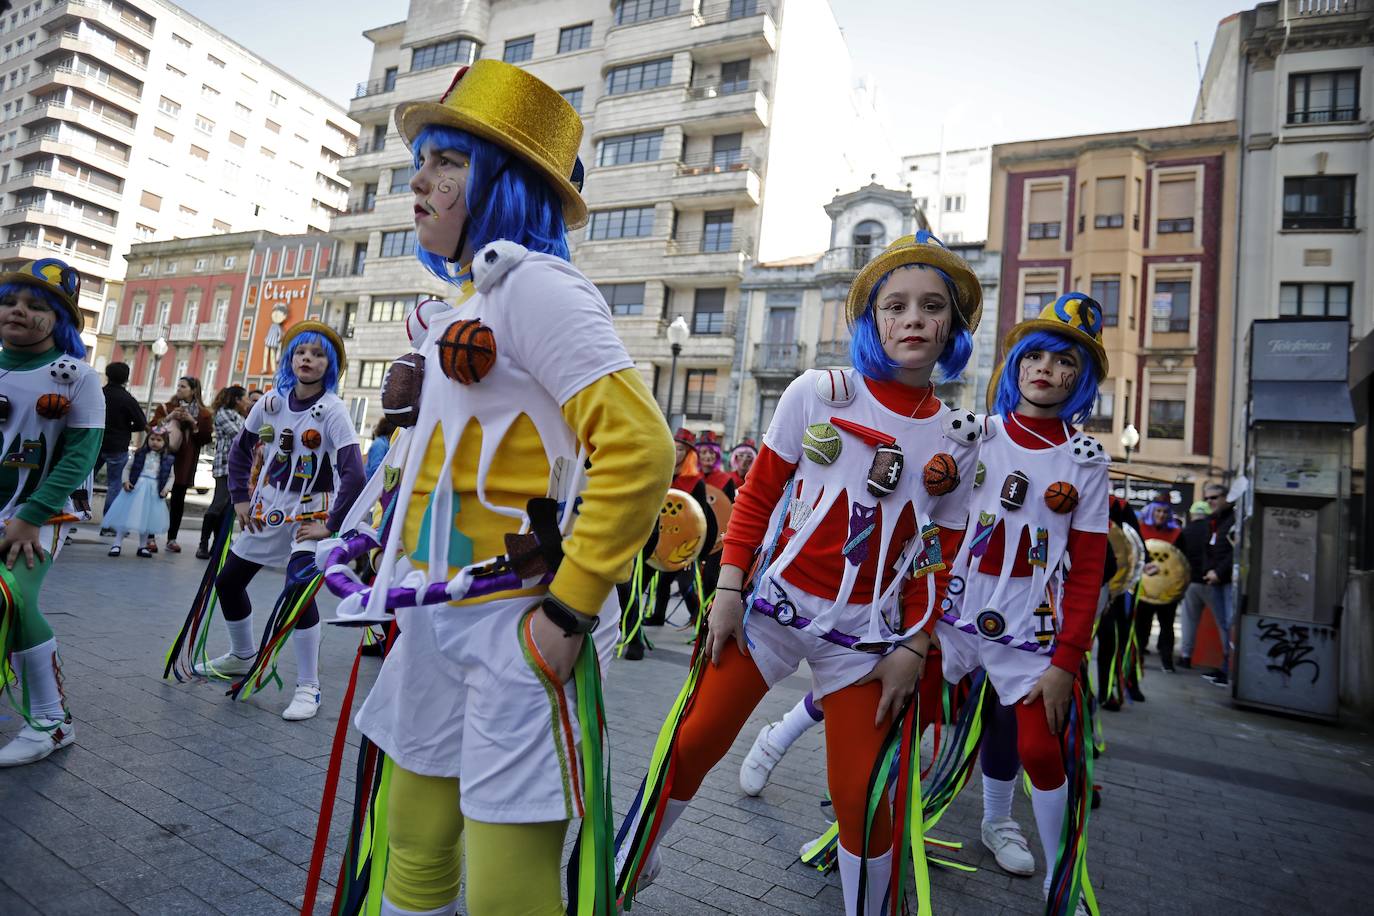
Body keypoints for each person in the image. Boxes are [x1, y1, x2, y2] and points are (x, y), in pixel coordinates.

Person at [339, 60, 673, 916]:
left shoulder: (537, 289)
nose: (419, 179)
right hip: (433, 618)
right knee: (410, 846)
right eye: (423, 160)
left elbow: (638, 448)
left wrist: (569, 611)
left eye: (447, 162)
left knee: (503, 894)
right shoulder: (464, 300)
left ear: (506, 182)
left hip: (516, 628)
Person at [618, 232, 981, 916]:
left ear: (952, 326)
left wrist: (914, 644)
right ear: (873, 319)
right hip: (770, 613)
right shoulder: (819, 392)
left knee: (863, 800)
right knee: (693, 741)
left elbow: (943, 550)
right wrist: (727, 589)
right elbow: (756, 495)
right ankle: (629, 865)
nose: (912, 318)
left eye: (931, 306)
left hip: (866, 645)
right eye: (894, 304)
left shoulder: (962, 438)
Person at [934, 292, 1109, 912]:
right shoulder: (973, 434)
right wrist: (916, 609)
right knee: (889, 701)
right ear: (1015, 365)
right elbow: (933, 521)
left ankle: (1059, 877)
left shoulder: (1086, 461)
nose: (1045, 369)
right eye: (1033, 355)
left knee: (1039, 747)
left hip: (1029, 625)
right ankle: (782, 742)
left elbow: (1088, 570)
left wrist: (1066, 662)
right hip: (952, 612)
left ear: (1079, 379)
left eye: (1064, 363)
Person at [191, 322, 362, 720]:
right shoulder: (270, 402)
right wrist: (240, 499)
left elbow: (354, 473)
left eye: (319, 354)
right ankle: (243, 655)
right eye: (301, 352)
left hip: (311, 513)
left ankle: (309, 687)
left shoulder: (333, 411)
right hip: (267, 508)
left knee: (298, 590)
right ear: (289, 358)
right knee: (229, 581)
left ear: (330, 365)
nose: (308, 359)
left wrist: (331, 524)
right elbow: (240, 451)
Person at [0, 259, 104, 767]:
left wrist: (30, 515)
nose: (18, 310)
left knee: (11, 597)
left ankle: (51, 720)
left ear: (58, 320)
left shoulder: (79, 379)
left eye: (35, 306)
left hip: (39, 518)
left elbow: (80, 457)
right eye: (10, 301)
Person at [150, 376, 212, 553]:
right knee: (156, 497)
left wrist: (193, 422)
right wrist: (170, 417)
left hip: (185, 461)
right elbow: (152, 429)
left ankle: (172, 538)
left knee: (178, 500)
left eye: (183, 386)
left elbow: (205, 439)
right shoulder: (166, 407)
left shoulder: (203, 413)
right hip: (162, 458)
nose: (179, 388)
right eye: (178, 385)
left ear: (193, 390)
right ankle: (150, 537)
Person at [105, 426, 174, 558]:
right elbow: (127, 468)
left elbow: (171, 476)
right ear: (147, 439)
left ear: (165, 442)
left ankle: (142, 546)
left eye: (159, 440)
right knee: (125, 516)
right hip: (136, 488)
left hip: (154, 491)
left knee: (147, 520)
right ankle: (117, 544)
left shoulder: (167, 459)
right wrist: (125, 481)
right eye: (152, 439)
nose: (155, 442)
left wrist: (166, 489)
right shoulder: (139, 454)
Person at [196, 384, 248, 559]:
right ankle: (203, 543)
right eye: (245, 397)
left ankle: (217, 545)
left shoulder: (239, 416)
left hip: (239, 467)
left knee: (227, 506)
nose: (247, 401)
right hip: (225, 464)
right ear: (237, 400)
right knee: (218, 502)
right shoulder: (224, 414)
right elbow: (239, 435)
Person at [1135, 497, 1183, 672]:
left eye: (1164, 512)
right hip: (1144, 588)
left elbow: (1181, 563)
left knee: (1167, 625)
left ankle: (1167, 661)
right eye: (1158, 511)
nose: (1161, 515)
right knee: (1141, 625)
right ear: (1151, 511)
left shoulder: (1177, 533)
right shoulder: (1140, 529)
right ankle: (1136, 659)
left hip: (1167, 589)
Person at [97, 361, 145, 533]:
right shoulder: (127, 399)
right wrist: (125, 428)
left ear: (108, 375)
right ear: (126, 378)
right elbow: (141, 423)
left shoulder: (99, 394)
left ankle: (71, 520)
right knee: (115, 485)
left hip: (96, 443)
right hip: (118, 445)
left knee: (83, 482)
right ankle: (108, 524)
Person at [1199, 483, 1234, 686]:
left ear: (1225, 498)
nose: (1210, 502)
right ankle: (1225, 667)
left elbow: (1234, 553)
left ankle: (1228, 669)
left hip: (1226, 579)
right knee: (1223, 624)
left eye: (1214, 497)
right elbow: (1209, 549)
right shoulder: (1214, 520)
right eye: (1207, 499)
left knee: (1229, 624)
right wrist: (1209, 572)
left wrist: (1218, 573)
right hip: (1215, 579)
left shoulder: (1233, 519)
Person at [1176, 499, 1212, 669]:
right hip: (1212, 582)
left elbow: (1179, 560)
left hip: (1191, 583)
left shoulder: (1185, 531)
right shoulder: (1212, 529)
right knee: (1223, 624)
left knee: (1189, 621)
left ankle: (1186, 656)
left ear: (1192, 514)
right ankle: (1227, 661)